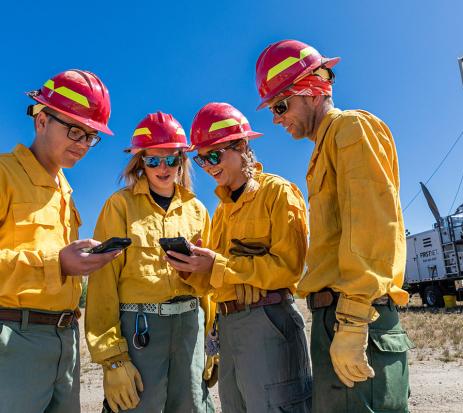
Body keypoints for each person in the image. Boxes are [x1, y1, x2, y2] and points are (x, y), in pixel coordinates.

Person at [255, 39, 415, 412]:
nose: (277, 118)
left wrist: (355, 320)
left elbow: (373, 226)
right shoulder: (326, 145)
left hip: (354, 314)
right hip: (337, 316)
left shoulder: (350, 128)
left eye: (281, 105)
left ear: (311, 91)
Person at [166, 102, 312, 412]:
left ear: (242, 145)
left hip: (268, 322)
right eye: (201, 159)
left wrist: (216, 265)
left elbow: (289, 269)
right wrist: (193, 270)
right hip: (228, 327)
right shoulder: (220, 212)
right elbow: (218, 282)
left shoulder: (278, 193)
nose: (208, 166)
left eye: (215, 156)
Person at [0, 69, 120, 413]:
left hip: (65, 340)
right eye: (74, 131)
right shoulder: (5, 175)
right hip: (12, 341)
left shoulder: (65, 190)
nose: (83, 144)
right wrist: (57, 263)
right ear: (41, 120)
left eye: (90, 136)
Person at [85, 112, 214, 412]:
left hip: (190, 332)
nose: (162, 168)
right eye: (153, 160)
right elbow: (103, 283)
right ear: (140, 161)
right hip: (140, 332)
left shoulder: (197, 210)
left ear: (182, 160)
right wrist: (113, 359)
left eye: (170, 159)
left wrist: (212, 342)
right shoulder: (120, 206)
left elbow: (209, 284)